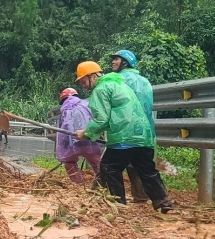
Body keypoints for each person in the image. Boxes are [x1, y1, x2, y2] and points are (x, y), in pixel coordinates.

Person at [73, 60, 175, 213]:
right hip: (143, 135)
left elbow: (102, 119)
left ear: (93, 76)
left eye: (83, 81)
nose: (83, 85)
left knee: (109, 167)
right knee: (147, 170)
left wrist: (86, 132)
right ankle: (163, 201)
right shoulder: (120, 84)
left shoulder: (100, 90)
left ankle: (119, 203)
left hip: (124, 137)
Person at [110, 49, 155, 204]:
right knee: (139, 163)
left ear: (125, 62)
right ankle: (142, 196)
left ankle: (105, 197)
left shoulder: (117, 79)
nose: (113, 62)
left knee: (109, 165)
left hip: (125, 129)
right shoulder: (145, 81)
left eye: (116, 59)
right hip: (146, 130)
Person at [55, 88, 103, 185]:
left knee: (69, 161)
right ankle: (102, 182)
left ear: (63, 100)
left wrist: (63, 147)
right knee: (97, 162)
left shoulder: (65, 109)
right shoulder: (87, 105)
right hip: (89, 140)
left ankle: (78, 184)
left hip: (72, 143)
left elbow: (63, 131)